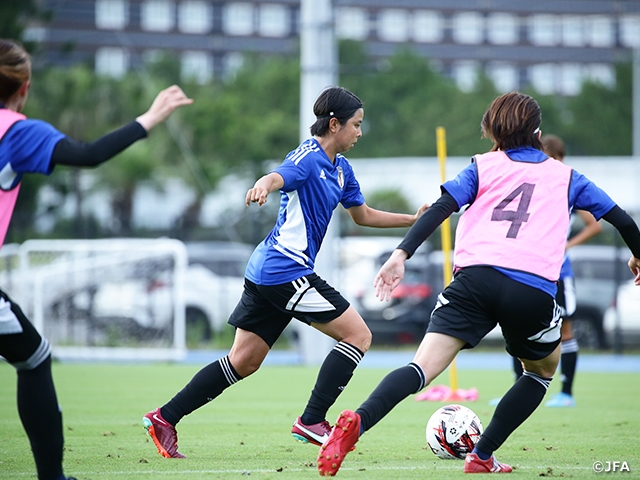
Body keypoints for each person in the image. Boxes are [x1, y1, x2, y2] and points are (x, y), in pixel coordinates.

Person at [317, 91, 640, 476]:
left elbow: (440, 209)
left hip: (473, 280)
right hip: (530, 288)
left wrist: (401, 254)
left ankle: (360, 420)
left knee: (421, 367)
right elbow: (622, 219)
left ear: (493, 130)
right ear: (537, 131)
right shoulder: (565, 175)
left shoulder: (482, 166)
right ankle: (481, 456)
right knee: (539, 371)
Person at [142, 86, 428, 459]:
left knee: (244, 361)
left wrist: (414, 220)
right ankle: (312, 420)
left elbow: (363, 215)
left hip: (267, 272)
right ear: (334, 123)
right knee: (358, 335)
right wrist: (262, 185)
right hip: (283, 270)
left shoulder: (341, 169)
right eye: (356, 125)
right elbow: (278, 176)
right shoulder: (308, 156)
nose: (360, 132)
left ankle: (165, 417)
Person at [0, 38, 192, 480]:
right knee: (34, 360)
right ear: (24, 87)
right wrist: (150, 118)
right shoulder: (16, 131)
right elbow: (88, 155)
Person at [498, 134, 603, 408]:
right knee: (517, 328)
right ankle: (515, 390)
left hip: (559, 273)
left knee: (565, 331)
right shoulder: (535, 186)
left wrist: (567, 244)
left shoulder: (567, 184)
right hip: (529, 270)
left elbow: (594, 225)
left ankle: (566, 392)